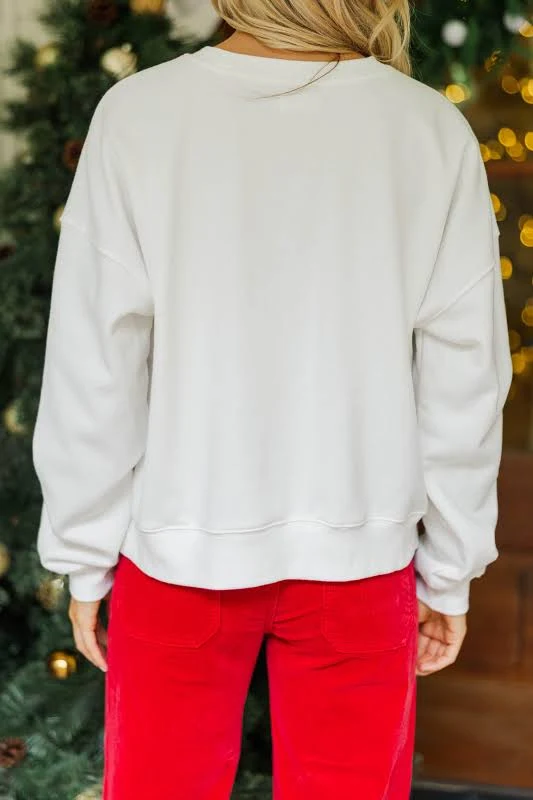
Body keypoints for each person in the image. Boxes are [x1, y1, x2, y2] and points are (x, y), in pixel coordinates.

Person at [31, 0, 513, 797]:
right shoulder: (425, 127)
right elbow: (464, 378)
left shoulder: (141, 113)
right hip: (360, 560)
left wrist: (82, 556)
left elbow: (96, 363)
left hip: (176, 554)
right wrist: (449, 568)